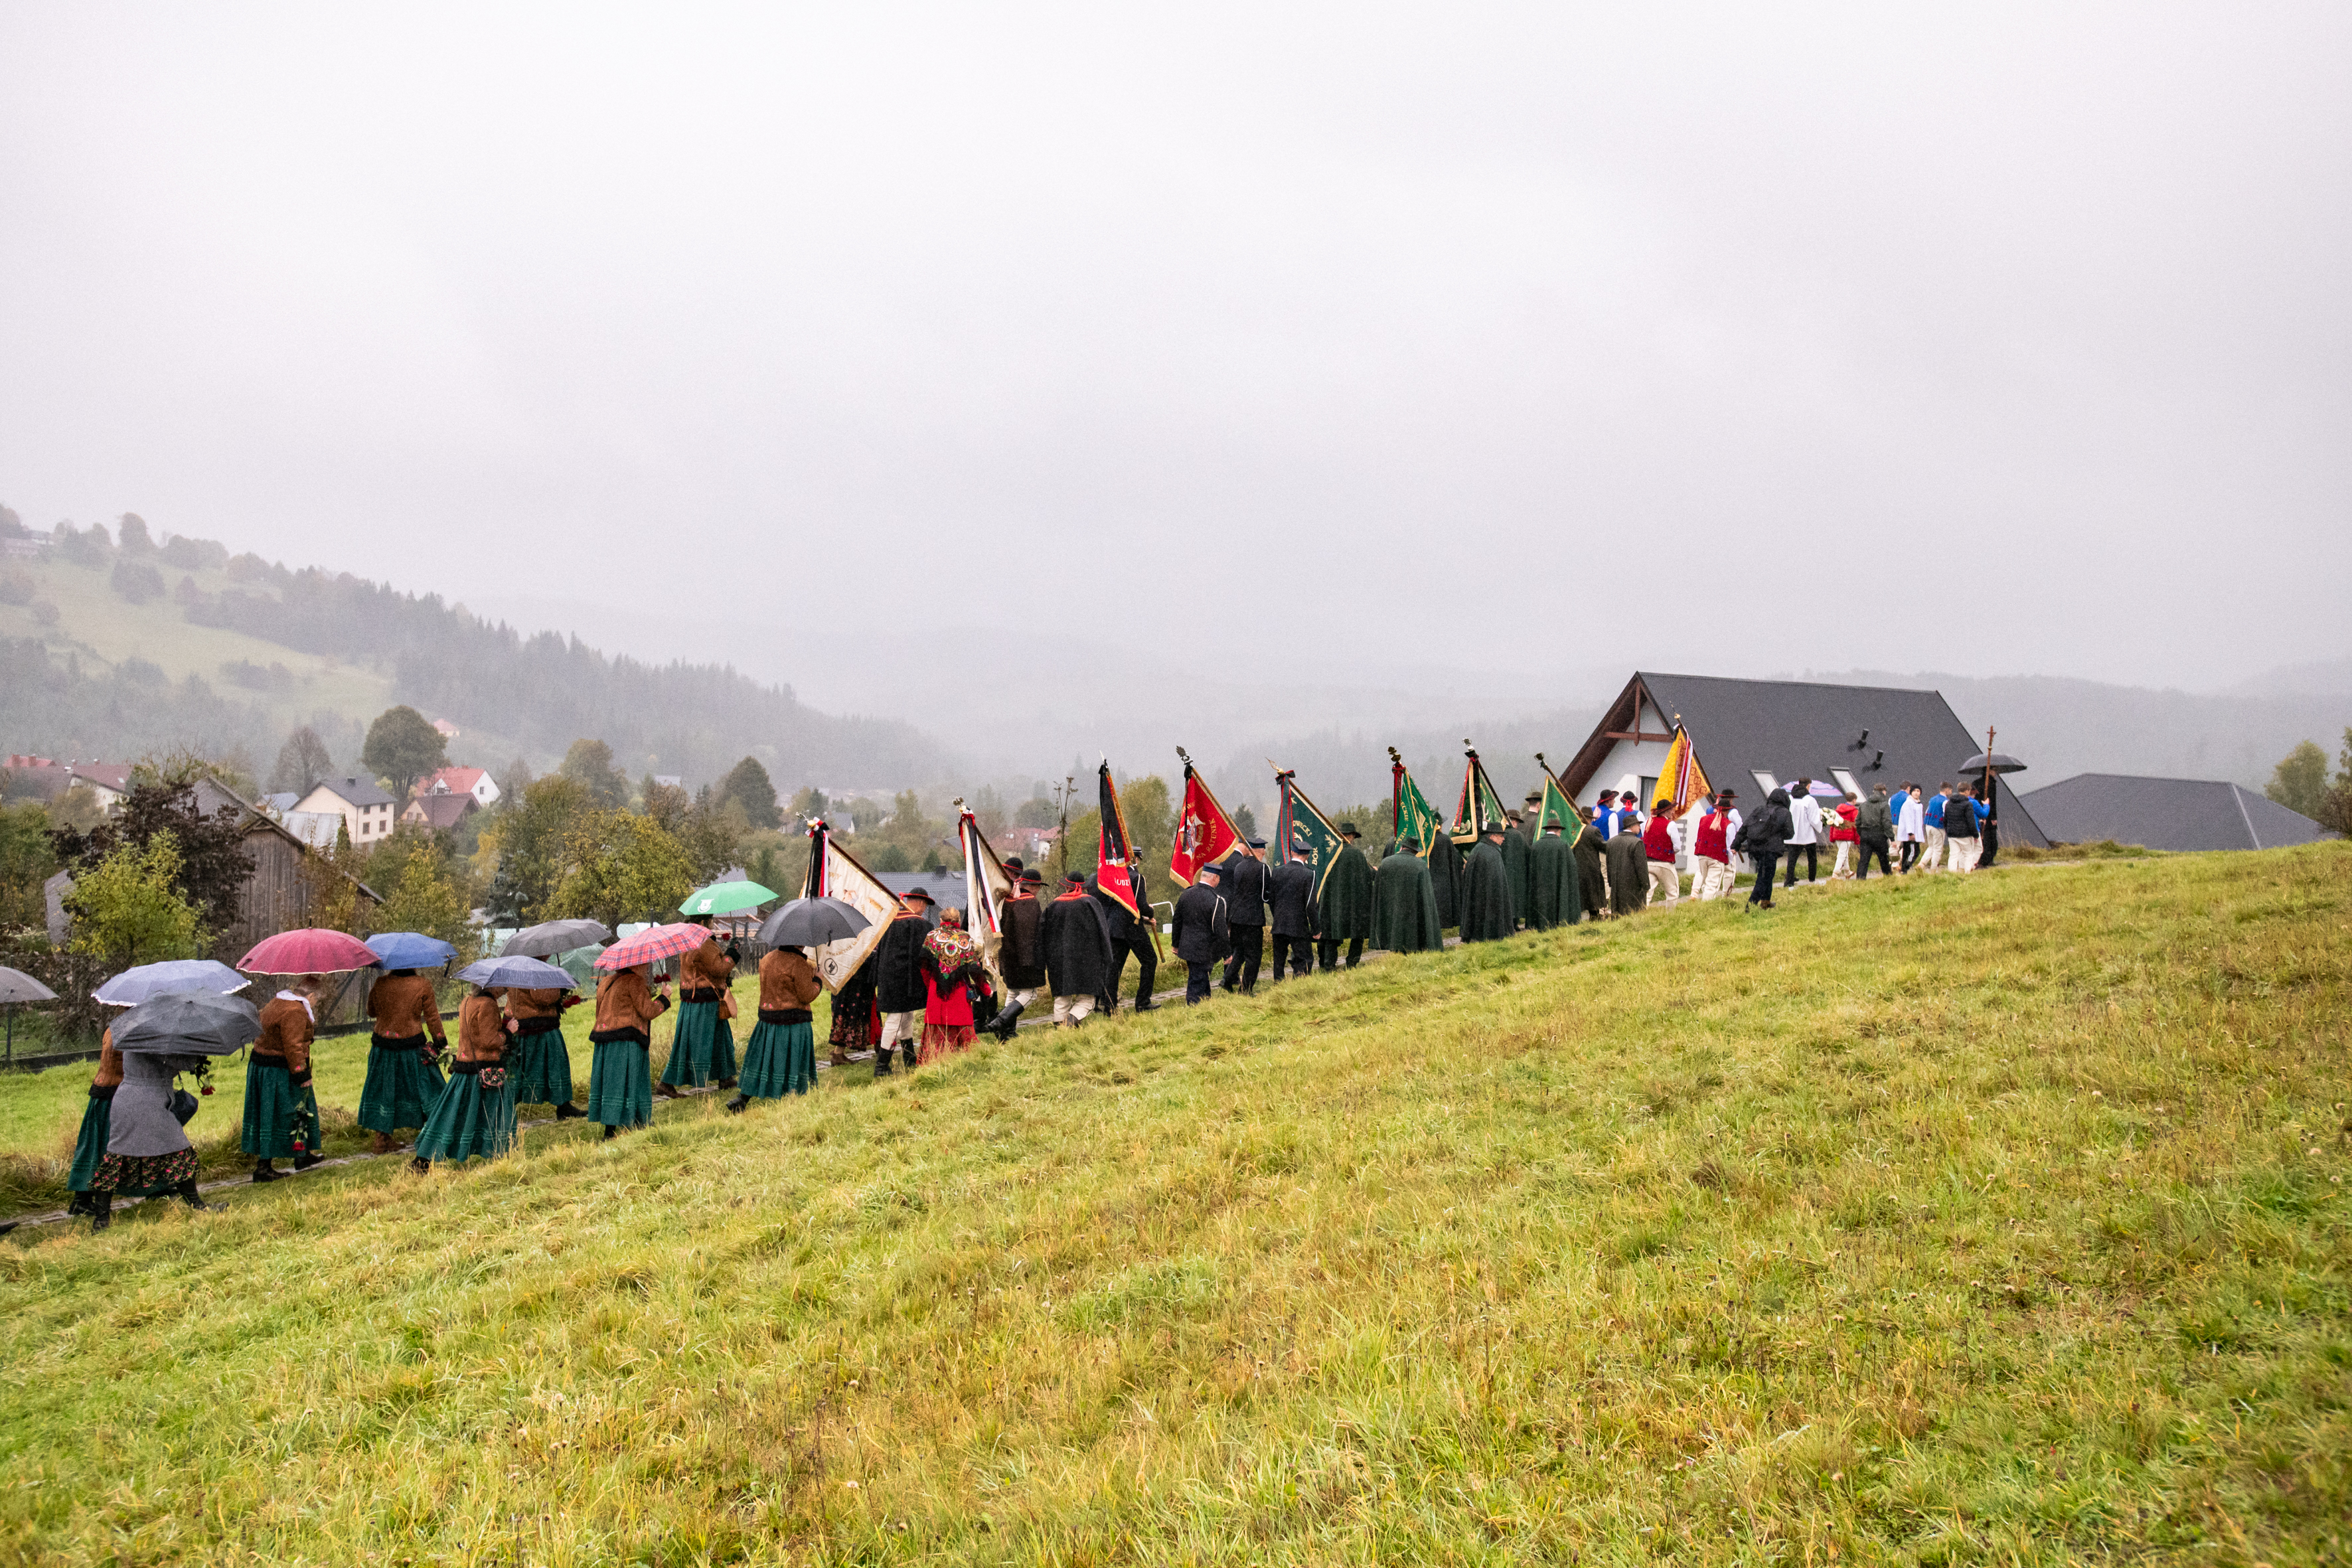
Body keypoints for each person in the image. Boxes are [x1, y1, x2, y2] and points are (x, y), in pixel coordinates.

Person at [85, 1044, 215, 1229]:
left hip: (134, 1099)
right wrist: (197, 1052)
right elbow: (177, 1062)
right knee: (178, 1150)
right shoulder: (150, 1037)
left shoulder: (139, 1033)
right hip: (146, 1101)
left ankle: (101, 1219)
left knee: (118, 1158)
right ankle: (198, 1206)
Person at [412, 984, 516, 1170]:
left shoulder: (467, 1001)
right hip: (485, 1071)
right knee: (498, 1112)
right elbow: (488, 1041)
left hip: (464, 1069)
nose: (506, 989)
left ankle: (424, 1158)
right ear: (492, 986)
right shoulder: (488, 1005)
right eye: (503, 986)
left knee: (451, 1116)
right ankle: (502, 1155)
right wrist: (508, 1032)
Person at [360, 966, 451, 1154]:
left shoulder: (380, 983)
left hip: (383, 1046)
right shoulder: (422, 984)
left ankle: (382, 1140)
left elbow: (371, 1011)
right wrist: (440, 1042)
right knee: (426, 1086)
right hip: (412, 1046)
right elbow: (432, 1017)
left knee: (384, 1089)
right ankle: (433, 1133)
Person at [245, 975, 326, 1182]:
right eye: (317, 999)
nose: (316, 1003)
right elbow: (293, 1045)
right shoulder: (295, 1011)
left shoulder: (278, 1002)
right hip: (279, 1069)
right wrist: (302, 1074)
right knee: (279, 1113)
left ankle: (302, 1156)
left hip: (266, 1065)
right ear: (311, 995)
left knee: (298, 1109)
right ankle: (263, 1168)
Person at [730, 943, 822, 1110]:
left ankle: (743, 1098)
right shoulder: (798, 963)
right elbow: (806, 995)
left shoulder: (766, 959)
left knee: (763, 1061)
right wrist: (817, 981)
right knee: (791, 1061)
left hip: (768, 1020)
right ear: (798, 942)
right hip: (793, 1022)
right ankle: (792, 1098)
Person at [588, 961, 669, 1138]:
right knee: (627, 1082)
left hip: (604, 1040)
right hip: (625, 1043)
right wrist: (664, 998)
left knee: (611, 1085)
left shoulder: (605, 982)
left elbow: (599, 1012)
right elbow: (648, 1012)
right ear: (636, 965)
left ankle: (636, 1122)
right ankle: (612, 1132)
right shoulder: (635, 982)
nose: (648, 968)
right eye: (645, 965)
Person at [659, 921, 738, 1097]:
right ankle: (667, 1082)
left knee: (715, 1038)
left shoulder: (687, 942)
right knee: (704, 1040)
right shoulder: (704, 943)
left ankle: (725, 1077)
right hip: (705, 1001)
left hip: (692, 1000)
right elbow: (719, 969)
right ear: (703, 922)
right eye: (709, 921)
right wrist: (732, 953)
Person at [871, 888, 935, 1075]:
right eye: (924, 904)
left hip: (887, 977)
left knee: (906, 1016)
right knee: (896, 1019)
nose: (924, 909)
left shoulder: (888, 921)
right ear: (918, 902)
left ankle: (908, 1057)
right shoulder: (921, 925)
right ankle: (882, 1066)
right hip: (905, 980)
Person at [505, 979, 584, 1123]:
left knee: (519, 1069)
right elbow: (542, 997)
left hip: (525, 1023)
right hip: (540, 1028)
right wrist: (559, 989)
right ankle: (563, 1106)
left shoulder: (515, 972)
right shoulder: (534, 972)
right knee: (554, 1066)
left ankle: (506, 1108)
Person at [64, 1026, 123, 1218]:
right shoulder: (127, 1029)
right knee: (104, 1149)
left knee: (94, 1147)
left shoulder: (114, 1027)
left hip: (104, 1092)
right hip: (112, 1095)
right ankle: (83, 1201)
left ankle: (82, 1200)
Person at [1042, 869, 1114, 1024]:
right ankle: (1069, 1026)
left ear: (1067, 886)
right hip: (1088, 960)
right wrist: (1108, 957)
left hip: (1059, 961)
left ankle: (1061, 1034)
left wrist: (1043, 961)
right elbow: (1103, 931)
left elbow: (1042, 935)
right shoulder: (1091, 903)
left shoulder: (1052, 906)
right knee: (1087, 1000)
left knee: (1062, 999)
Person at [1089, 855, 1158, 1012]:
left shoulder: (1113, 876)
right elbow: (1140, 905)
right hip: (1132, 926)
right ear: (1135, 859)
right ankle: (1143, 1002)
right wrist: (1151, 912)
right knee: (1150, 961)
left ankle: (1109, 1006)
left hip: (1114, 926)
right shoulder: (1137, 877)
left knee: (1114, 968)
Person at [918, 907, 986, 1059]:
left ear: (941, 920)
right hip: (960, 992)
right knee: (963, 1029)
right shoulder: (965, 938)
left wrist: (931, 987)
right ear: (958, 920)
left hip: (936, 992)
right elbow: (975, 969)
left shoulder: (932, 937)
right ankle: (969, 1061)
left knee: (936, 1030)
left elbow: (924, 968)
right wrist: (986, 989)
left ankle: (933, 1062)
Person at [990, 868, 1047, 1040]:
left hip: (1008, 956)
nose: (1039, 891)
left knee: (1013, 993)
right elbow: (1029, 935)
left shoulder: (1009, 900)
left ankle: (1006, 1034)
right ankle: (1000, 1022)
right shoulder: (1029, 902)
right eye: (1038, 887)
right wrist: (1032, 961)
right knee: (1029, 994)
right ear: (1032, 886)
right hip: (1025, 958)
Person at [1171, 862, 1231, 1003]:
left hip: (1187, 947)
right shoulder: (1216, 900)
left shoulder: (1186, 894)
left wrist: (1175, 944)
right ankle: (1193, 1011)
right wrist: (1227, 954)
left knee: (1202, 979)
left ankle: (1205, 1006)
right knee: (1197, 982)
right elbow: (1220, 930)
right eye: (1219, 878)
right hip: (1205, 950)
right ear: (1215, 878)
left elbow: (1177, 921)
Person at [1318, 823, 1375, 968]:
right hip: (1354, 905)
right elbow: (1368, 877)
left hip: (1333, 904)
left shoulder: (1329, 854)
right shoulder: (1357, 855)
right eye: (1353, 836)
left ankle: (1329, 966)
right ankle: (1352, 963)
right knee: (1358, 934)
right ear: (1349, 836)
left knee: (1331, 934)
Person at [1372, 834, 1444, 950]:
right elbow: (1427, 897)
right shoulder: (1421, 865)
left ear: (1401, 847)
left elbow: (1379, 893)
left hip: (1391, 911)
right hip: (1413, 914)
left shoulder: (1386, 863)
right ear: (1415, 851)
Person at [1265, 838, 1320, 982]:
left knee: (1279, 962)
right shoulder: (1309, 874)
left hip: (1279, 925)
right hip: (1298, 926)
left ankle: (1279, 986)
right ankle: (1299, 986)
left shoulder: (1277, 872)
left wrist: (1277, 916)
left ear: (1291, 853)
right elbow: (1310, 905)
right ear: (1307, 855)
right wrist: (1316, 929)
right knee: (1304, 959)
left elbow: (1272, 900)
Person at [1219, 839, 1269, 993]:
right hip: (1252, 919)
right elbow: (1265, 896)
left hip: (1236, 917)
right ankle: (1246, 990)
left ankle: (1227, 979)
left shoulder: (1239, 867)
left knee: (1239, 952)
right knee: (1254, 957)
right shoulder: (1263, 868)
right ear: (1262, 851)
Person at [1456, 823, 1516, 941]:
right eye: (1501, 836)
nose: (1503, 839)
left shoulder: (1477, 849)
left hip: (1477, 897)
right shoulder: (1492, 853)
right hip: (1487, 897)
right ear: (1492, 837)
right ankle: (1491, 933)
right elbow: (1497, 885)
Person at [1736, 789, 1793, 909]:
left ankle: (1766, 902)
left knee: (1767, 875)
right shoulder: (1784, 813)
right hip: (1771, 850)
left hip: (1755, 848)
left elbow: (1745, 827)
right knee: (1764, 877)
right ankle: (1750, 906)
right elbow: (1790, 833)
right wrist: (1778, 834)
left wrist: (1736, 844)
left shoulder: (1759, 810)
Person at [826, 951, 879, 1064]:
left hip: (847, 977)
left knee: (862, 1012)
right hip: (853, 981)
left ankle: (881, 1046)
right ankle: (838, 1054)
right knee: (850, 1013)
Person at [1528, 818, 1579, 928]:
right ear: (1558, 830)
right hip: (1559, 885)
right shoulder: (1564, 845)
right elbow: (1572, 868)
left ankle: (1541, 925)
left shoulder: (1536, 846)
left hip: (1541, 887)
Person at [1690, 791, 1741, 902]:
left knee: (1703, 878)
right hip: (1717, 857)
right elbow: (1729, 846)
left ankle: (1694, 894)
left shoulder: (1704, 819)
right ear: (1727, 810)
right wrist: (1730, 861)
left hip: (1702, 854)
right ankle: (1708, 907)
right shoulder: (1729, 824)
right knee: (1712, 885)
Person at [1642, 799, 1682, 909]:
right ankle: (1671, 916)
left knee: (1647, 894)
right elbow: (1677, 847)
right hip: (1665, 863)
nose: (1673, 812)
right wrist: (1668, 852)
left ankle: (1641, 915)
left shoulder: (1647, 822)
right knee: (1672, 892)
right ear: (1666, 811)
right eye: (1672, 810)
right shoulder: (1671, 825)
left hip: (1648, 863)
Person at [1607, 817, 1650, 915]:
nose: (1639, 827)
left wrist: (1611, 882)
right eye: (1638, 825)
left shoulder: (1611, 842)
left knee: (1617, 916)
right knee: (1633, 915)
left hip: (1616, 886)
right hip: (1634, 887)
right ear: (1631, 826)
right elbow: (1642, 868)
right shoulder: (1637, 843)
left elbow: (1609, 864)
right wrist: (1646, 885)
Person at [1784, 779, 1823, 888]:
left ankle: (1789, 883)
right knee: (1812, 858)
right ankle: (1812, 880)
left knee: (1792, 859)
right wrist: (1820, 825)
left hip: (1792, 833)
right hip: (1807, 833)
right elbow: (1813, 819)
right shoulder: (1810, 800)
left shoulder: (1789, 798)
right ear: (1809, 786)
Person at [1571, 807, 1608, 917]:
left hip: (1576, 867)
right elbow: (1604, 847)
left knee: (1578, 896)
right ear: (1589, 819)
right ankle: (1594, 917)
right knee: (1593, 897)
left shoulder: (1572, 831)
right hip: (1591, 868)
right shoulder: (1593, 831)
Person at [1501, 811, 1534, 931]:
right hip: (1518, 874)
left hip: (1503, 872)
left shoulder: (1500, 835)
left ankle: (1506, 926)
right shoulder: (1519, 836)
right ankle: (1514, 925)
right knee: (1516, 899)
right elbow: (1528, 853)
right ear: (1514, 821)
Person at [1943, 782, 1983, 872]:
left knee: (1953, 855)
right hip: (1965, 834)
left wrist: (1948, 831)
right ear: (1967, 791)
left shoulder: (1949, 803)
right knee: (1968, 854)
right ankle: (1966, 873)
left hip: (1952, 834)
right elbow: (1971, 821)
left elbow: (1945, 820)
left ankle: (1952, 875)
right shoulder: (1968, 804)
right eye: (1969, 791)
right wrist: (1975, 835)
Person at [1855, 786, 1893, 880]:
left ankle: (1860, 880)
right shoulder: (1884, 805)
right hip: (1879, 835)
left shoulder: (1863, 805)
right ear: (1883, 792)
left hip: (1865, 835)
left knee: (1864, 860)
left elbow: (1857, 822)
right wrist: (1892, 838)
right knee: (1884, 859)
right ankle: (1888, 879)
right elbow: (1886, 822)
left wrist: (1862, 833)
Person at [1919, 783, 1951, 874]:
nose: (1951, 792)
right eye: (1950, 790)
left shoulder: (1932, 799)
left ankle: (1921, 864)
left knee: (1931, 847)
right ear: (1947, 790)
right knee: (1938, 849)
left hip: (1928, 824)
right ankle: (1933, 870)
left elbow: (1927, 811)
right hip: (1938, 826)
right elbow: (1946, 814)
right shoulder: (1945, 801)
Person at [1895, 782, 1926, 874]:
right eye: (1914, 791)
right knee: (1914, 852)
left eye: (1918, 791)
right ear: (1911, 792)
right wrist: (1911, 833)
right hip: (1910, 834)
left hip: (1915, 832)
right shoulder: (1909, 803)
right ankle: (1905, 867)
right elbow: (1908, 819)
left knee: (1907, 852)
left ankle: (1903, 871)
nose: (1916, 793)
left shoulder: (1918, 804)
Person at [1829, 794, 1861, 880]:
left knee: (1844, 854)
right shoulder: (1854, 811)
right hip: (1847, 836)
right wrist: (1857, 840)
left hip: (1837, 834)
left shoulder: (1838, 810)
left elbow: (1832, 823)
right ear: (1854, 800)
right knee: (1842, 855)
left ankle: (1848, 872)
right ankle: (1836, 873)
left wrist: (1832, 836)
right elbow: (1856, 826)